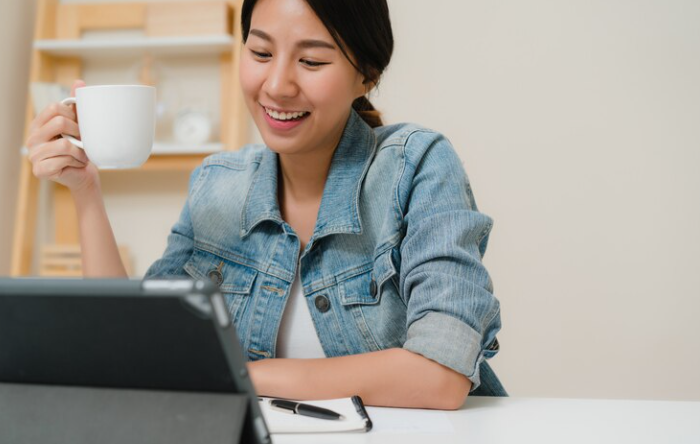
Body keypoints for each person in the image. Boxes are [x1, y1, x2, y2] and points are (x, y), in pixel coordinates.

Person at [25, 0, 505, 409]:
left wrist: (238, 378)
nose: (277, 85)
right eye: (259, 52)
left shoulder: (416, 166)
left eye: (312, 62)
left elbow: (441, 376)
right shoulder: (218, 185)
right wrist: (85, 192)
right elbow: (132, 347)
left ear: (367, 75)